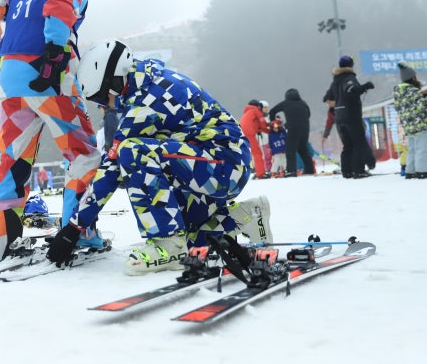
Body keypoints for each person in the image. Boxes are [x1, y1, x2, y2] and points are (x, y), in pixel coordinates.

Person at [45, 40, 272, 275]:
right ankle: (246, 215)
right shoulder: (149, 83)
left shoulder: (148, 101)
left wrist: (74, 228)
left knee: (132, 152)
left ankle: (167, 244)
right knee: (194, 238)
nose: (103, 104)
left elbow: (111, 169)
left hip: (223, 165)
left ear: (114, 81)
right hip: (215, 163)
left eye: (102, 97)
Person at [0, 0, 115, 265]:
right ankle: (79, 235)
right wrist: (53, 54)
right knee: (83, 157)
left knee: (10, 163)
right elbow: (60, 7)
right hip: (52, 79)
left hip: (10, 84)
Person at [323, 55, 376, 179]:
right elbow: (350, 90)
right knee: (358, 144)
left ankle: (347, 171)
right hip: (351, 116)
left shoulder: (335, 81)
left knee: (347, 145)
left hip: (339, 117)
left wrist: (338, 103)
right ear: (351, 65)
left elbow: (327, 97)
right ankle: (358, 171)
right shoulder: (349, 77)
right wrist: (365, 86)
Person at [393, 62, 427, 179]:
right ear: (412, 78)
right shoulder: (413, 90)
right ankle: (422, 171)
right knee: (422, 148)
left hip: (408, 125)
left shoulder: (398, 91)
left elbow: (402, 107)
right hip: (419, 124)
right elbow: (421, 106)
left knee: (412, 149)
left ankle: (410, 171)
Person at [269, 88, 315, 177]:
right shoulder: (303, 103)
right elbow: (308, 114)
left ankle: (291, 171)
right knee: (303, 149)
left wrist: (273, 121)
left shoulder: (285, 103)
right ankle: (310, 170)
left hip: (293, 129)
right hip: (305, 128)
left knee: (290, 150)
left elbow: (272, 111)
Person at [239, 99, 270, 179]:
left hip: (242, 133)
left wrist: (269, 131)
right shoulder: (255, 110)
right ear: (259, 106)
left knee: (247, 153)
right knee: (257, 153)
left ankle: (255, 171)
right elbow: (263, 124)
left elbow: (258, 126)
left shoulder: (249, 112)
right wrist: (270, 126)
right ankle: (261, 173)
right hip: (249, 133)